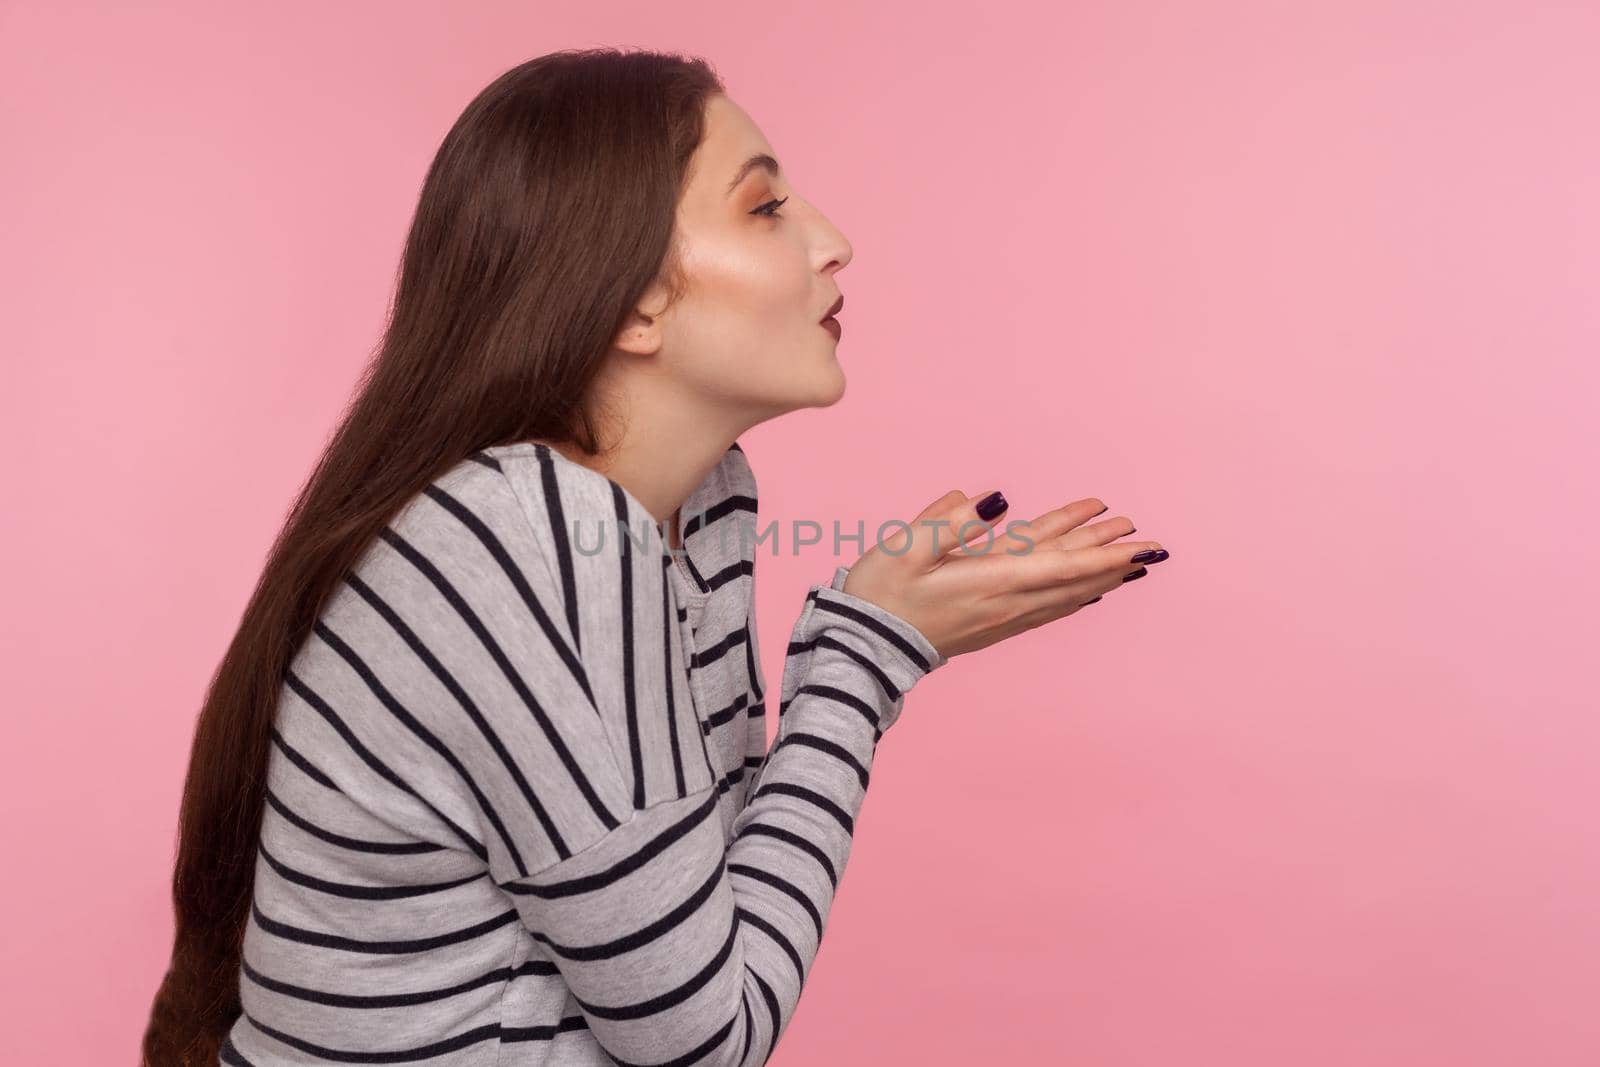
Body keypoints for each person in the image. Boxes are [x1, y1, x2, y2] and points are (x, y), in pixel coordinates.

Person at [141, 47, 1169, 1066]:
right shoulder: (526, 543)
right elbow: (699, 1037)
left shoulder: (698, 497)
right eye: (764, 208)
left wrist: (872, 630)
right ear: (630, 300)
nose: (834, 242)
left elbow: (688, 906)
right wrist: (865, 655)